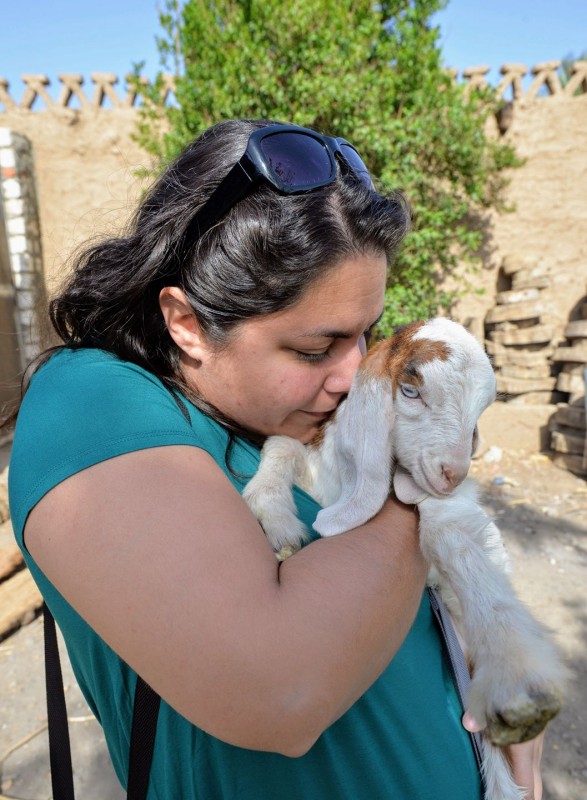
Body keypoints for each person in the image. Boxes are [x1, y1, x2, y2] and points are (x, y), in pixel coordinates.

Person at [7, 119, 545, 799]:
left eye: (365, 335)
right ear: (187, 324)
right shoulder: (91, 398)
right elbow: (279, 692)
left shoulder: (294, 418)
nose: (355, 373)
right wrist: (419, 473)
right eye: (315, 349)